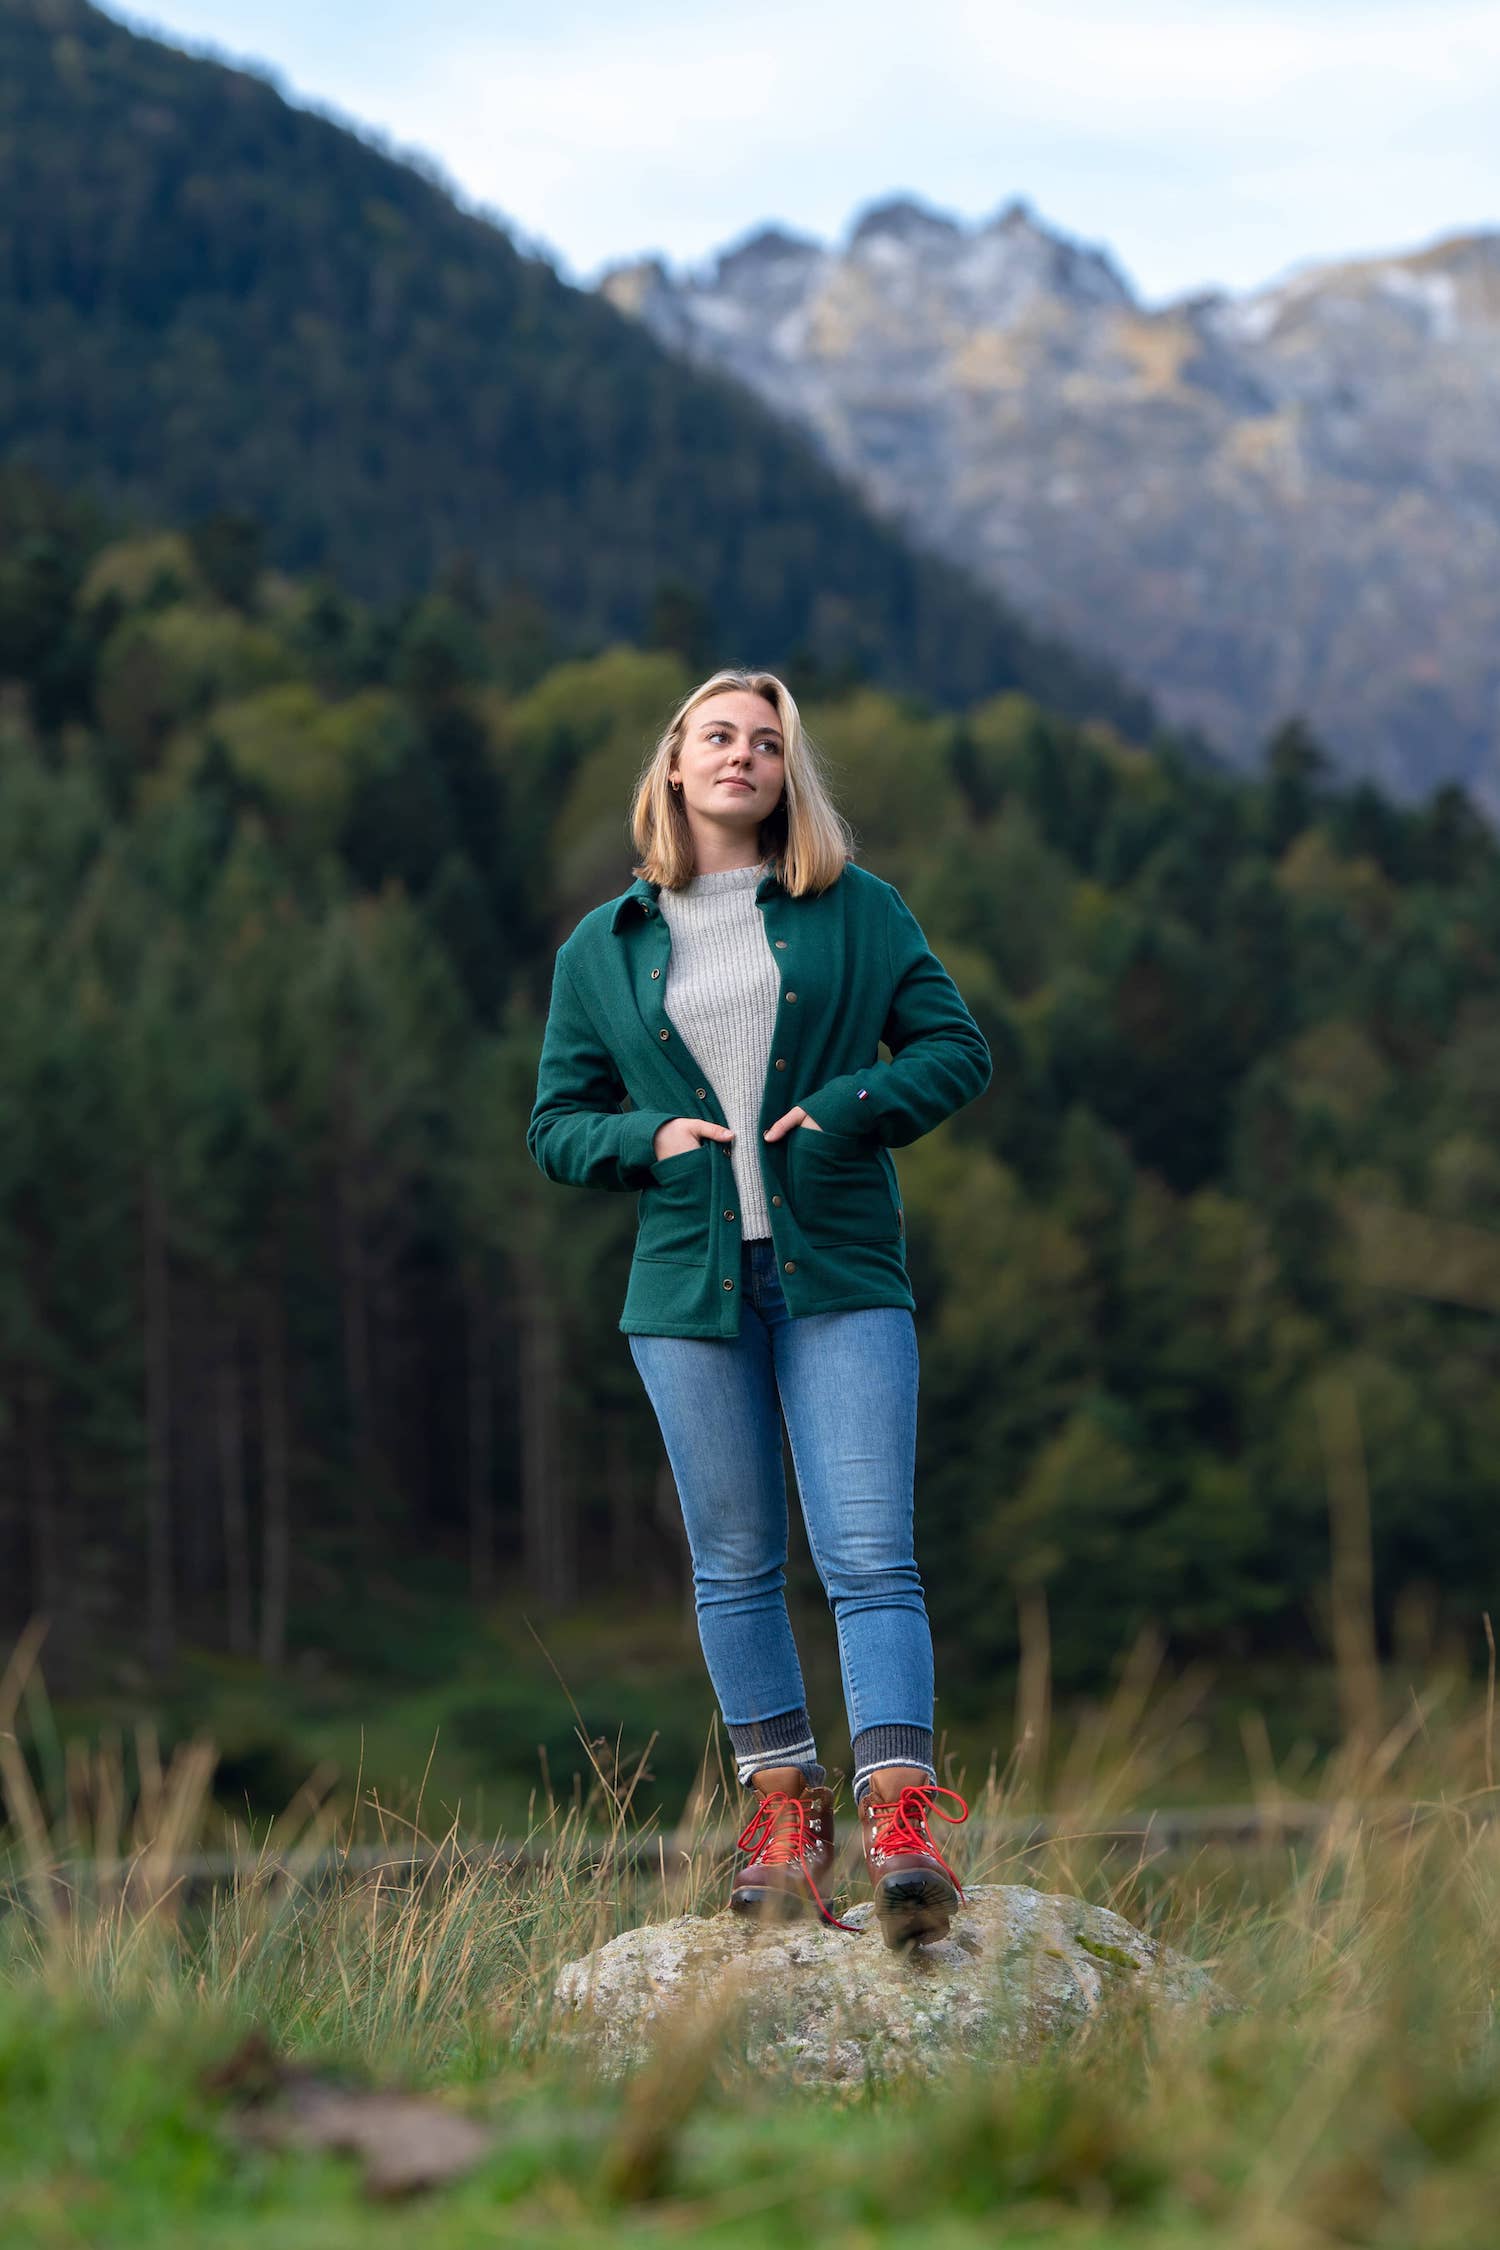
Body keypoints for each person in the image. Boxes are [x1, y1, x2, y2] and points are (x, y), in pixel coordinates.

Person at [526, 667, 991, 1946]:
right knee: (734, 1564)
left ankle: (905, 1822)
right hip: (687, 1288)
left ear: (790, 777)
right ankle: (784, 1825)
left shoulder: (855, 910)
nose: (741, 756)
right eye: (717, 735)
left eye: (767, 743)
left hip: (838, 1270)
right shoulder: (603, 945)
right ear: (674, 765)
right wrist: (645, 1138)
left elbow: (957, 1049)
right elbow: (554, 1125)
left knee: (868, 1555)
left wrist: (848, 1109)